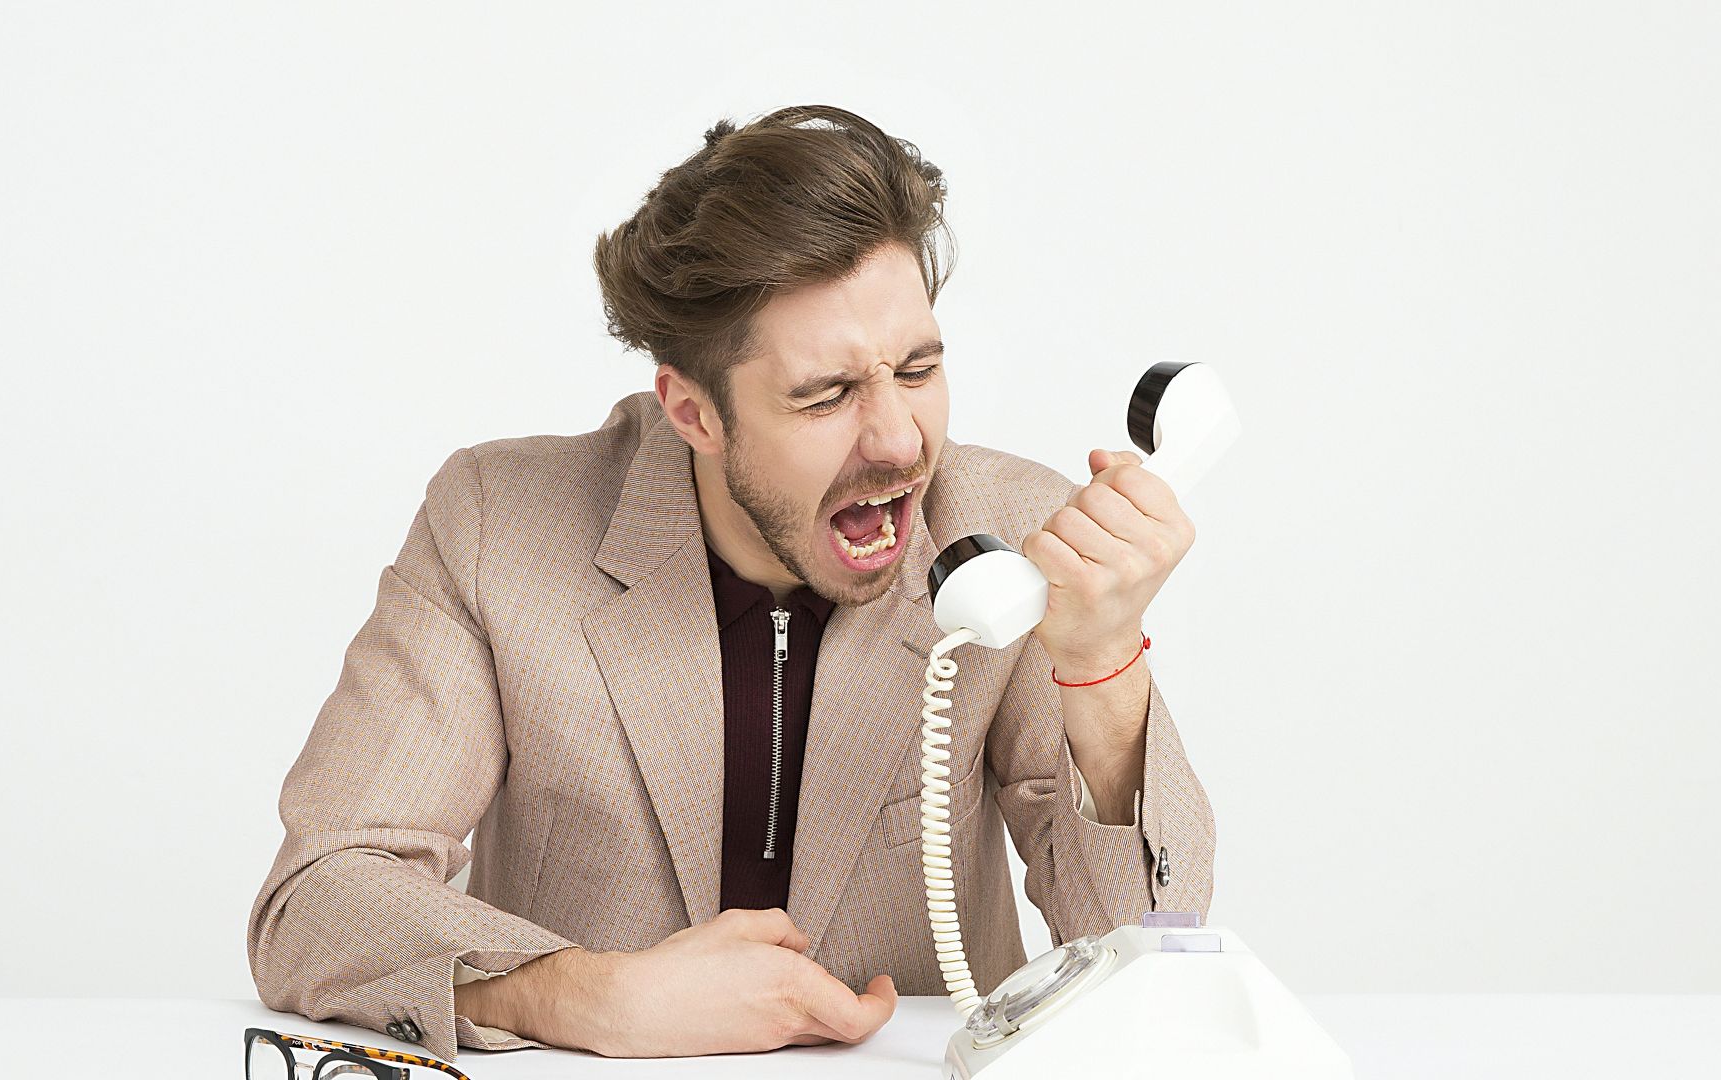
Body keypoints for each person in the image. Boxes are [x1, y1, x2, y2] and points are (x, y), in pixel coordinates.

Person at [246, 103, 1215, 1062]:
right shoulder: (496, 523)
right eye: (826, 394)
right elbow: (317, 896)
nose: (898, 441)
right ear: (693, 412)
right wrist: (584, 996)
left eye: (918, 370)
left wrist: (1102, 666)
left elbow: (1155, 957)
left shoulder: (1008, 536)